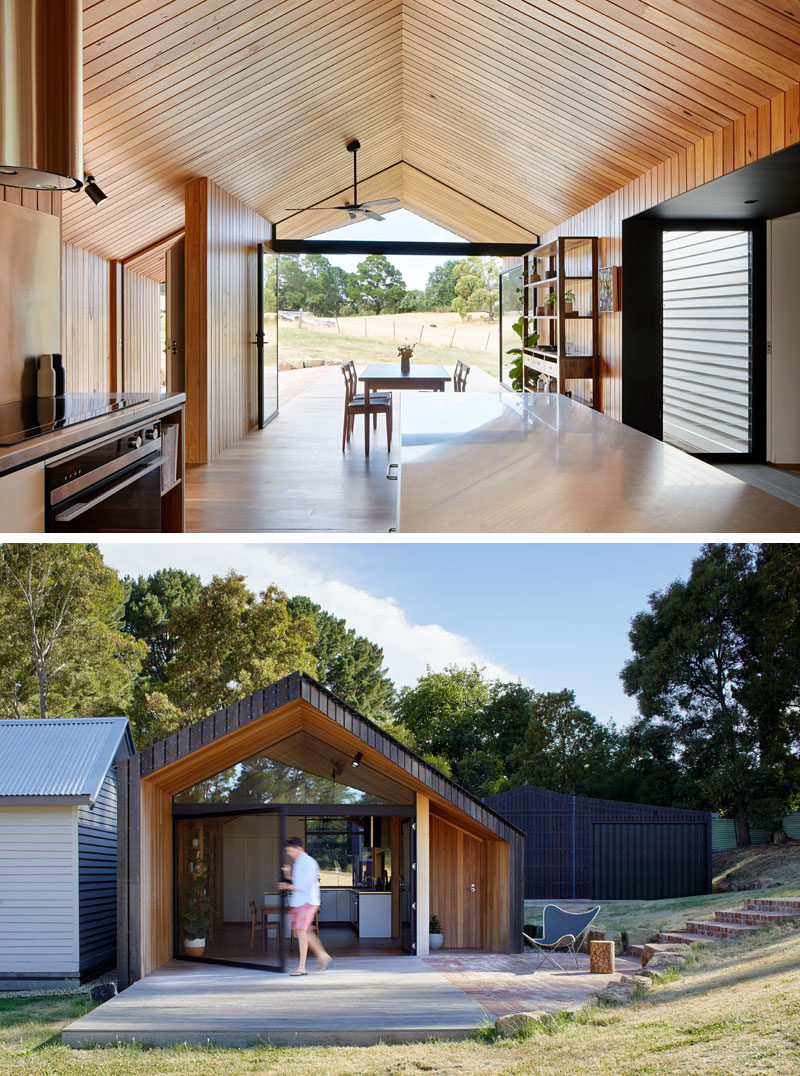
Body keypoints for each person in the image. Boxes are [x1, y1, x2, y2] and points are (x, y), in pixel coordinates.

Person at [277, 836, 332, 975]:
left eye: (290, 851)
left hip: (307, 902)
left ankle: (302, 968)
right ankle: (323, 955)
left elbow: (301, 886)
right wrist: (288, 875)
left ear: (298, 848)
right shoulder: (298, 862)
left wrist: (285, 885)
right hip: (299, 902)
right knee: (304, 931)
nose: (288, 853)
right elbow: (298, 881)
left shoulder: (308, 862)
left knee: (301, 931)